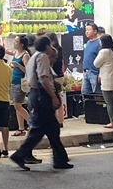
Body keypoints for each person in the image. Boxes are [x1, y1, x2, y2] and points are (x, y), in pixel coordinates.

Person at [10, 36, 72, 170]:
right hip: (41, 96)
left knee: (50, 129)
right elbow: (43, 78)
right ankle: (20, 154)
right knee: (41, 130)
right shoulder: (42, 57)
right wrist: (53, 97)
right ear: (47, 46)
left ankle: (59, 159)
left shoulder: (34, 56)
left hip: (35, 95)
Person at [94, 34, 113, 130]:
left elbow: (96, 64)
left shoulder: (103, 52)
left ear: (103, 42)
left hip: (107, 81)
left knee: (109, 102)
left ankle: (112, 122)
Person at [10, 35, 31, 136]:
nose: (14, 43)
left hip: (21, 82)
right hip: (14, 81)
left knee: (17, 105)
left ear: (21, 44)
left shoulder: (25, 55)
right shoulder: (16, 53)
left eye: (16, 41)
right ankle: (21, 128)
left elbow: (28, 70)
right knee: (17, 105)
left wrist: (18, 65)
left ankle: (31, 123)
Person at [81, 22, 101, 97]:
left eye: (89, 30)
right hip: (86, 72)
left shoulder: (99, 43)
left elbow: (102, 60)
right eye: (86, 30)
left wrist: (100, 73)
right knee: (85, 93)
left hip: (95, 73)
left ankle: (98, 109)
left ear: (95, 31)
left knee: (96, 95)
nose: (86, 32)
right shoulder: (88, 43)